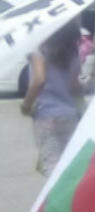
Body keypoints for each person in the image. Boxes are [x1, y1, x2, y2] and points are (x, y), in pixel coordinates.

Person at [21, 22, 82, 176]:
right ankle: (69, 197)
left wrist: (26, 105)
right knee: (68, 162)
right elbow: (74, 86)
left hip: (45, 114)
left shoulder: (39, 52)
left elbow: (39, 80)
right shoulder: (73, 52)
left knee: (51, 163)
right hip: (69, 114)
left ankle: (56, 199)